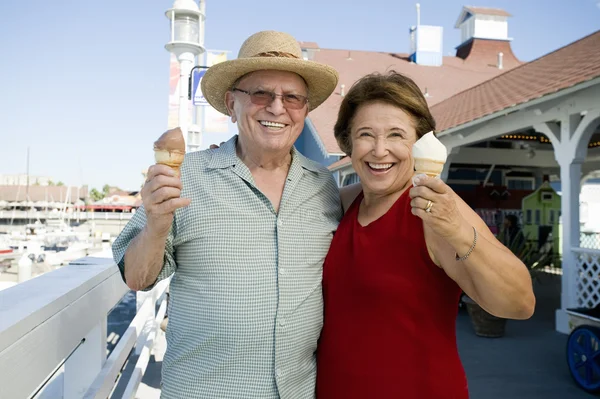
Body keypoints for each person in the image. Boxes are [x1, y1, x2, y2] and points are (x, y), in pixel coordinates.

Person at [112, 30, 341, 399]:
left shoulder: (323, 186)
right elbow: (136, 278)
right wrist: (156, 223)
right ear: (231, 104)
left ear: (305, 110)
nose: (277, 107)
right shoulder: (181, 177)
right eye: (262, 93)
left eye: (292, 97)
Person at [316, 71, 536, 398]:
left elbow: (520, 304)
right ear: (348, 142)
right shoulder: (345, 201)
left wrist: (458, 231)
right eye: (365, 134)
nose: (379, 150)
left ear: (419, 144)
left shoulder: (435, 209)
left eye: (395, 135)